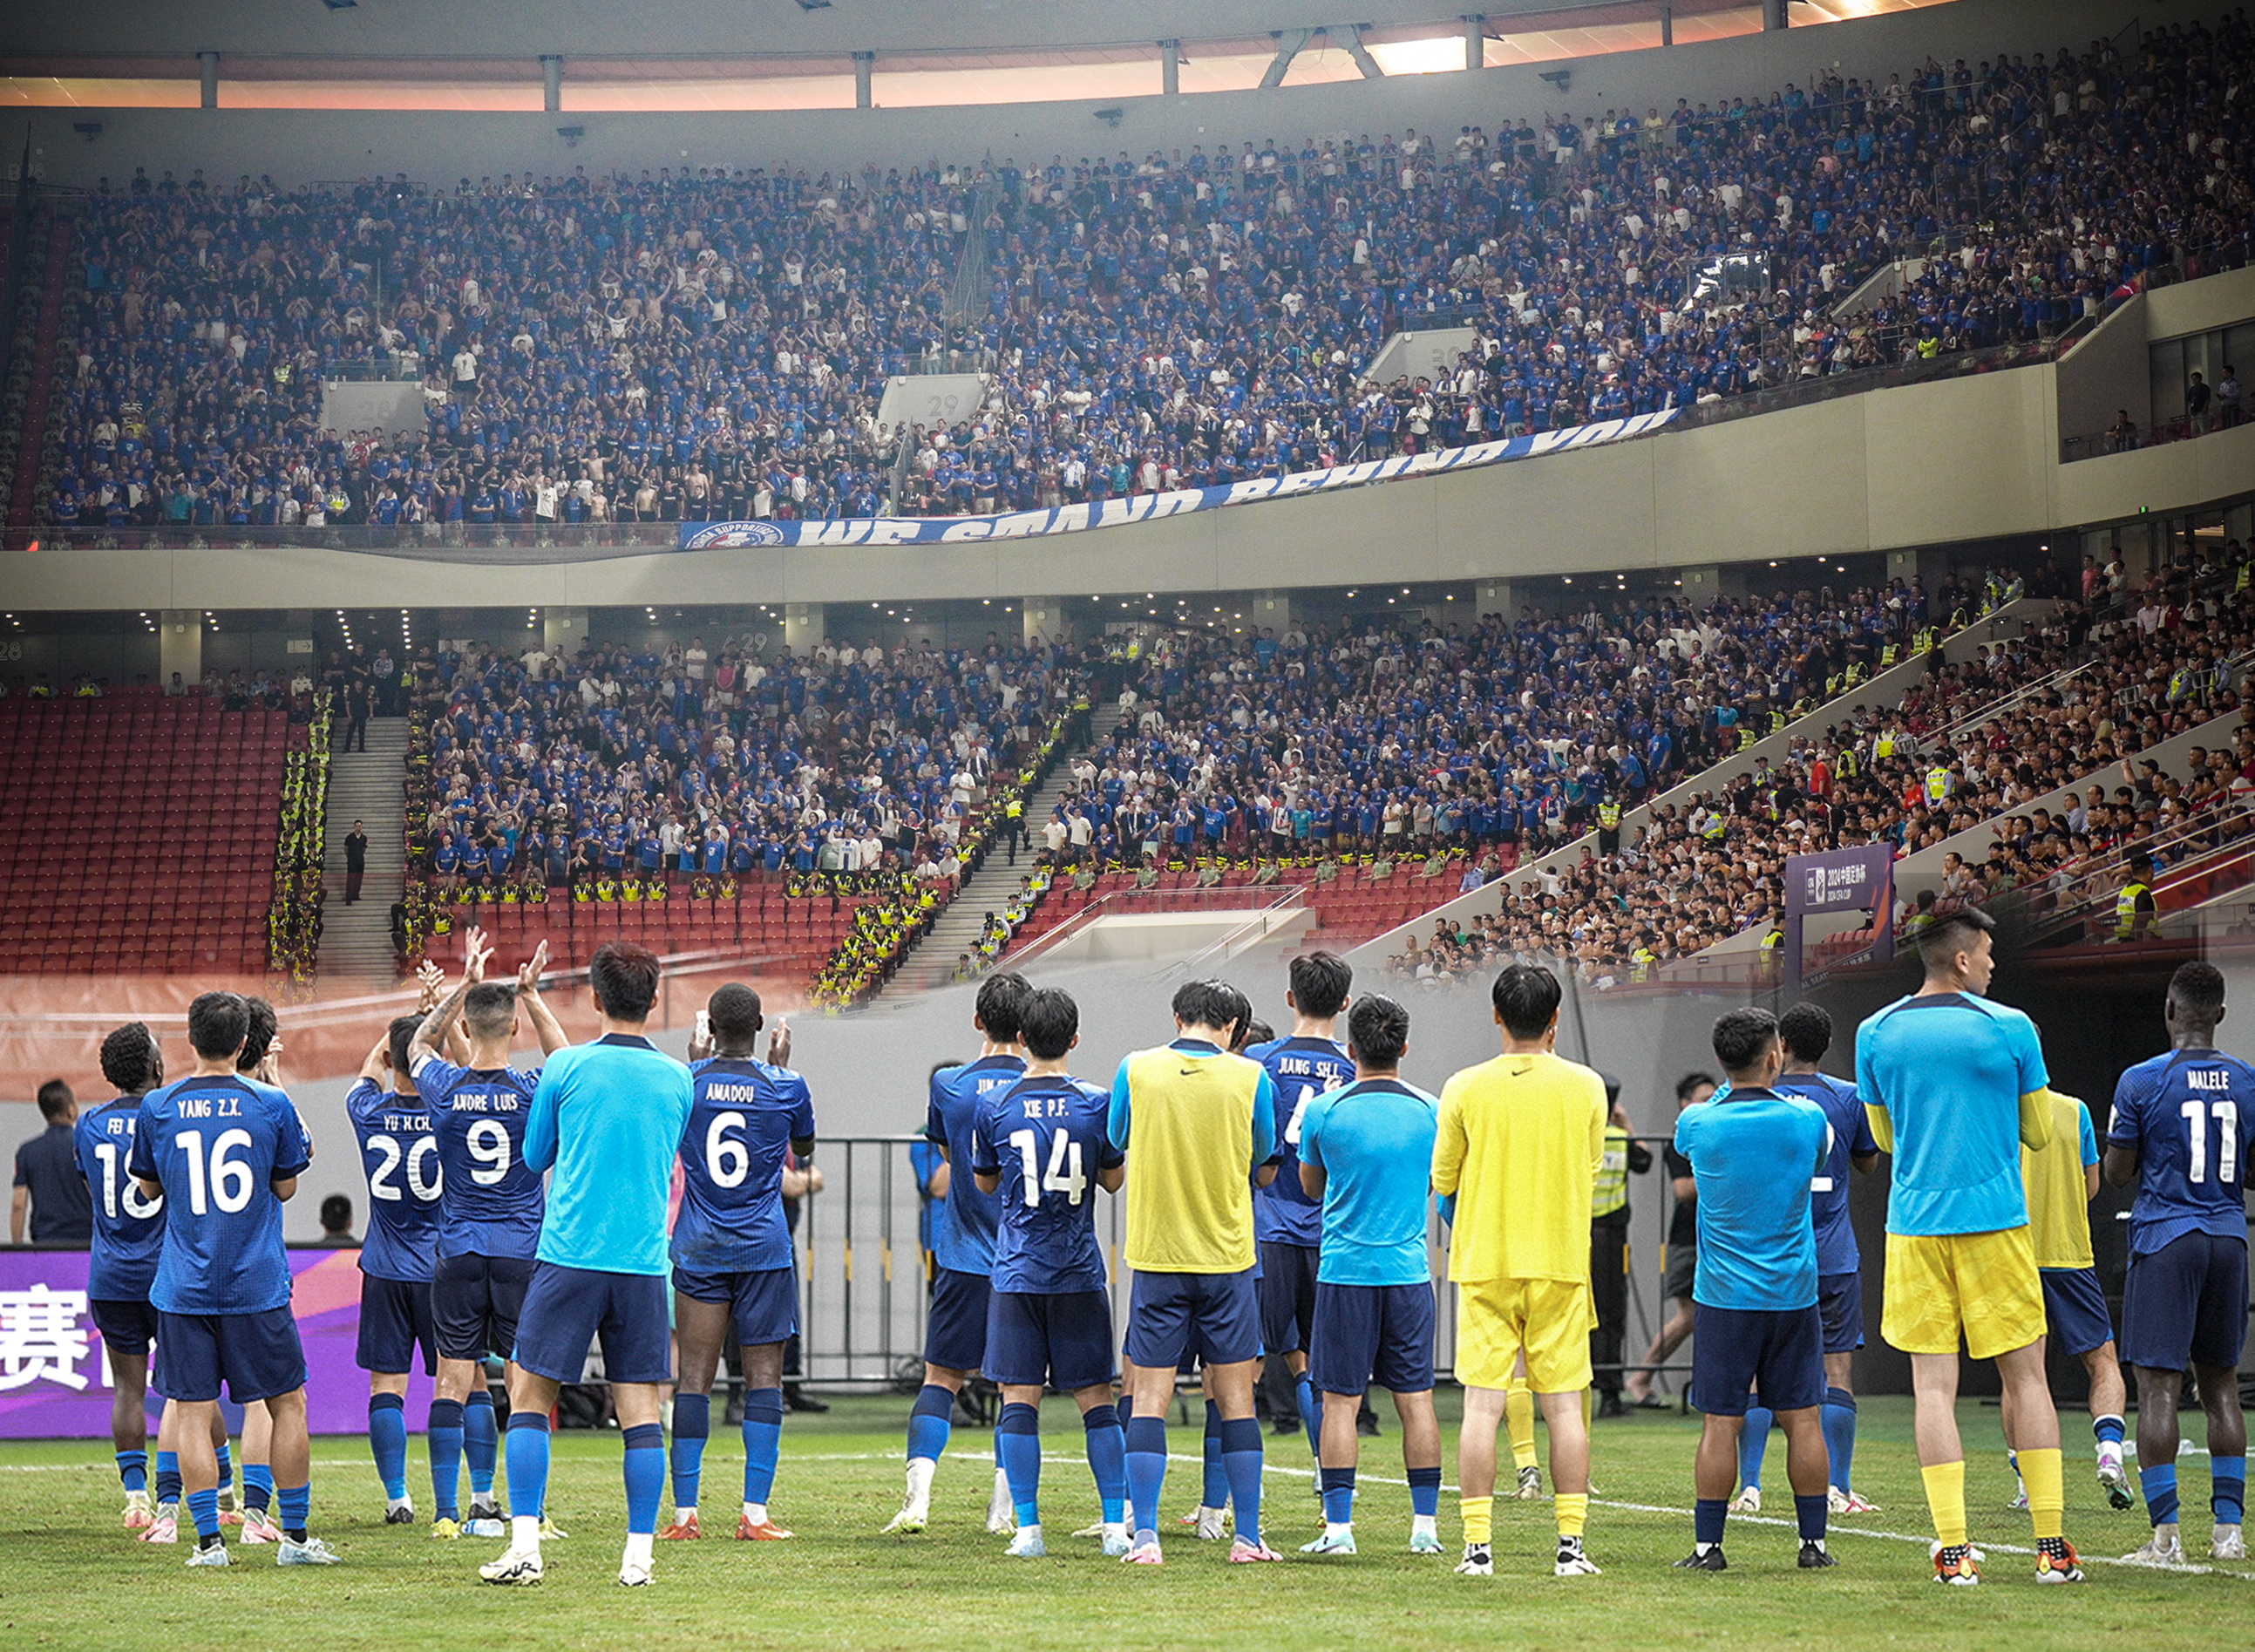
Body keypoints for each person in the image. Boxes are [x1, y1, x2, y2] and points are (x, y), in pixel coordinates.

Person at [1855, 905, 2084, 1584]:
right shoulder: (2009, 1027)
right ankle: (2051, 1547)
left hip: (1914, 1226)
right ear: (1961, 959)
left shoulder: (1874, 1031)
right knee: (2027, 1378)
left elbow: (1885, 1136)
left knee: (1931, 1387)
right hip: (1996, 1223)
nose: (1991, 963)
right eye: (1985, 952)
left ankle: (1953, 1552)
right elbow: (2037, 1132)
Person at [478, 940, 694, 1588]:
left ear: (595, 997)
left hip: (569, 1256)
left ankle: (525, 1549)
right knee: (641, 1411)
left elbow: (534, 1155)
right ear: (654, 1000)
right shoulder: (678, 1078)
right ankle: (638, 1558)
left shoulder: (565, 1067)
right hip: (642, 1264)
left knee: (529, 1398)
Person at [127, 990, 336, 1567]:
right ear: (245, 1043)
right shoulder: (271, 1103)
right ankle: (294, 1539)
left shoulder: (158, 1107)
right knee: (287, 1403)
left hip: (184, 1286)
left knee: (192, 1411)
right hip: (256, 1284)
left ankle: (208, 1544)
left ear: (190, 1040)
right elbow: (286, 1187)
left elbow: (147, 1188)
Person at [1433, 962, 1606, 1579]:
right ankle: (1570, 1548)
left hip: (1485, 1262)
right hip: (1559, 1260)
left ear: (1496, 1014)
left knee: (1481, 1407)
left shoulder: (1463, 1086)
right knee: (1564, 1409)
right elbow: (1589, 1169)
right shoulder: (1586, 1086)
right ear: (1555, 1019)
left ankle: (1477, 1549)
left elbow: (1443, 1178)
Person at [1109, 976, 1283, 1565]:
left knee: (1148, 1398)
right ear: (1232, 1026)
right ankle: (1246, 1537)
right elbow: (1263, 1159)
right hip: (1227, 1258)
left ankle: (1145, 1538)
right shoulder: (1252, 1077)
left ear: (1177, 1016)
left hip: (1157, 1256)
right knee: (1236, 1401)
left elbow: (1116, 1137)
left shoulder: (1135, 1068)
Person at [415, 931, 567, 1543]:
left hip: (457, 1249)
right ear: (515, 1029)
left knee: (452, 1380)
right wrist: (530, 992)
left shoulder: (444, 1088)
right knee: (526, 1383)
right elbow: (565, 1057)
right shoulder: (532, 1088)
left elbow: (420, 1043)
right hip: (521, 1253)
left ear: (467, 1026)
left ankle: (446, 1514)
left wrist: (461, 986)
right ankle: (533, 1512)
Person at [1671, 1007, 1836, 1573]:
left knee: (1721, 1420)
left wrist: (1731, 1080)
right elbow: (1817, 1154)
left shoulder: (1698, 1121)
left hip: (1723, 1297)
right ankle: (1812, 1545)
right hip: (1793, 1293)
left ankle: (1707, 1548)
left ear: (1721, 1060)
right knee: (1803, 1418)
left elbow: (1697, 1128)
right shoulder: (1806, 1118)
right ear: (1774, 1056)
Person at [968, 985, 1130, 1558]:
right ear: (1075, 1039)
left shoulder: (995, 1104)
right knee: (1096, 1399)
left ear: (1020, 1038)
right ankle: (1114, 1526)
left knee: (1019, 1399)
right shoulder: (1097, 1102)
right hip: (1078, 1269)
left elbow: (985, 1181)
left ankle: (1029, 1530)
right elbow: (1113, 1180)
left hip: (1017, 1271)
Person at [2102, 960, 2252, 1565]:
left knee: (2158, 1388)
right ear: (2220, 1014)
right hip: (2227, 1237)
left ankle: (2165, 1539)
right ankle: (2228, 1533)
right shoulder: (2247, 1080)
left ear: (2169, 1010)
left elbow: (2116, 1172)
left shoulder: (2140, 1080)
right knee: (2220, 1385)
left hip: (2166, 1236)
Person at [660, 982, 813, 1543]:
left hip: (700, 1246)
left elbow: (675, 1136)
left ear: (709, 1030)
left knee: (693, 1378)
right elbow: (805, 1147)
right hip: (763, 1250)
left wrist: (694, 1063)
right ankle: (755, 1514)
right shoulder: (787, 1084)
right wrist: (779, 1069)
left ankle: (685, 1516)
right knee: (764, 1378)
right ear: (761, 1027)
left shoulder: (686, 1082)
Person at [1294, 993, 1444, 1557]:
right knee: (1417, 1399)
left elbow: (1310, 1185)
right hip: (1408, 1272)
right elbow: (1431, 1182)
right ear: (1403, 1048)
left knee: (1339, 1402)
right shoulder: (1431, 1109)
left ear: (1351, 1049)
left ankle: (1338, 1530)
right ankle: (1424, 1528)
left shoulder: (1324, 1111)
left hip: (1345, 1273)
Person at [882, 971, 1029, 1537]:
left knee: (940, 1378)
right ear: (1027, 1026)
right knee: (1018, 1388)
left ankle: (916, 1502)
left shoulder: (948, 1084)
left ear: (977, 1021)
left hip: (963, 1255)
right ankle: (1002, 1512)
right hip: (1023, 1260)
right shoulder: (1042, 1089)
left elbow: (946, 1153)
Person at [1738, 1003, 1881, 1516]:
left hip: (1770, 1255)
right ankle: (1839, 1488)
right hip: (1831, 1254)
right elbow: (1867, 1164)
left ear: (1782, 1046)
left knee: (1756, 1371)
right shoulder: (1848, 1098)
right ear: (1826, 1045)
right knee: (1836, 1370)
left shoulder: (1756, 1096)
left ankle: (1749, 1488)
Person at [1243, 950, 1356, 1467]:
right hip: (1330, 1235)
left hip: (1267, 1230)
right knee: (1316, 1367)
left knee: (1243, 1364)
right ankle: (1325, 1477)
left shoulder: (1258, 1060)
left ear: (1290, 998)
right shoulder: (1355, 1067)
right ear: (1345, 1003)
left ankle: (1227, 1498)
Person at [2005, 1079, 2131, 1514]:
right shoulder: (2075, 1110)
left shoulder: (1993, 1109)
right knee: (2103, 1361)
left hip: (2013, 1257)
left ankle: (2027, 1483)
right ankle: (2110, 1452)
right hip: (2069, 1255)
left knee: (2020, 1376)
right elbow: (2090, 1187)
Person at [347, 1010, 447, 1525]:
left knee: (386, 1387)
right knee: (461, 1383)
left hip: (385, 1266)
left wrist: (394, 1038)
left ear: (390, 1057)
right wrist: (436, 1026)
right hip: (440, 1269)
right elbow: (459, 1070)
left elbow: (368, 1072)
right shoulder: (451, 1111)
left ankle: (397, 1499)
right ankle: (471, 1497)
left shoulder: (366, 1110)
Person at [71, 1022, 166, 1530]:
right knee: (189, 1389)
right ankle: (220, 1492)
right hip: (169, 1276)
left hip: (111, 1275)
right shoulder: (168, 1115)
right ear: (157, 1068)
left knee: (128, 1389)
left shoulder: (88, 1125)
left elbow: (94, 1192)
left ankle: (136, 1499)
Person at [1625, 1072, 1717, 1407]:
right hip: (1687, 1238)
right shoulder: (1681, 1140)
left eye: (1714, 1098)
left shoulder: (1717, 1134)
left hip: (1716, 1235)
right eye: (1704, 1099)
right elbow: (1682, 1189)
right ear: (1685, 1104)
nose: (1711, 1104)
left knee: (1713, 1315)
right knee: (1689, 1315)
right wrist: (1726, 1173)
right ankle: (1640, 1378)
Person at [1588, 1071, 1651, 1419]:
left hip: (1578, 1233)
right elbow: (1644, 1160)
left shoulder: (1580, 1135)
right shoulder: (1618, 1138)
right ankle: (1610, 1393)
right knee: (1611, 1314)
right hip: (1611, 1237)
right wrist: (1626, 1124)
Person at [13, 1078, 92, 1242]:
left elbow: (18, 1205)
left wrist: (17, 1246)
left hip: (45, 1241)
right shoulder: (86, 1145)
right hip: (85, 1241)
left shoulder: (27, 1151)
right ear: (71, 1110)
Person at [344, 820, 370, 907]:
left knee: (359, 879)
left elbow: (363, 850)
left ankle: (356, 895)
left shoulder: (364, 838)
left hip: (360, 861)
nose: (358, 828)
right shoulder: (349, 837)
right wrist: (350, 857)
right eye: (356, 826)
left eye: (360, 826)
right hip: (352, 861)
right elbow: (346, 849)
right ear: (354, 827)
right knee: (350, 879)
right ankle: (348, 898)